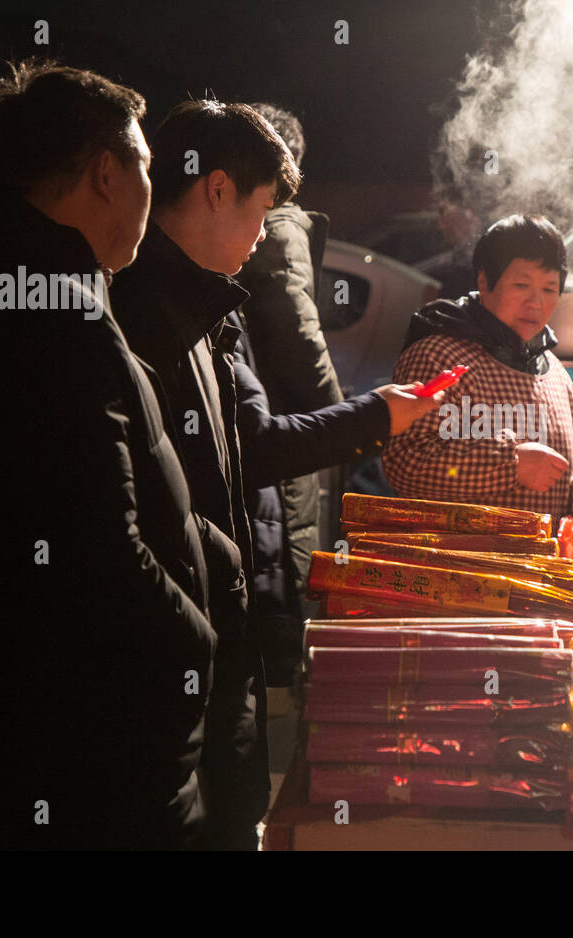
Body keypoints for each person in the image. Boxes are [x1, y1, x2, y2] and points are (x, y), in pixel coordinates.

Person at [0, 61, 217, 849]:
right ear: (106, 173)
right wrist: (191, 641)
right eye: (143, 166)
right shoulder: (51, 308)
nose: (150, 189)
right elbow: (94, 538)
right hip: (82, 748)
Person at [111, 100, 439, 848]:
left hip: (222, 636)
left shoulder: (213, 307)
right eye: (262, 212)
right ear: (218, 190)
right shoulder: (134, 310)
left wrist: (375, 416)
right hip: (178, 652)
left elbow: (249, 444)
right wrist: (367, 420)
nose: (265, 236)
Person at [383, 214, 573, 527]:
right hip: (456, 567)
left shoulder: (554, 371)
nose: (536, 302)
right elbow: (406, 464)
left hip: (537, 569)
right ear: (483, 281)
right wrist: (510, 465)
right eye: (522, 285)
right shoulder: (439, 357)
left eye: (549, 289)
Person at [233, 103, 337, 689]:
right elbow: (300, 332)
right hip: (282, 425)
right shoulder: (280, 224)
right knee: (282, 559)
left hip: (265, 419)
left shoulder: (265, 223)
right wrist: (344, 421)